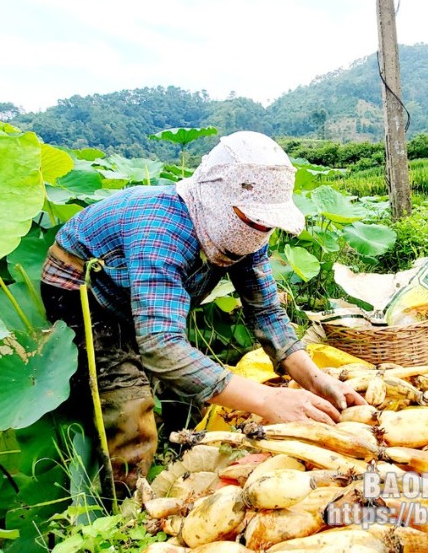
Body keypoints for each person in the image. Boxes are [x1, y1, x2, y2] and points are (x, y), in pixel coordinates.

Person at [40, 131, 366, 494]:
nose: (261, 232)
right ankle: (124, 507)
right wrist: (268, 400)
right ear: (216, 198)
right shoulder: (161, 231)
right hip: (87, 294)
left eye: (267, 223)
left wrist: (314, 378)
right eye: (254, 220)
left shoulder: (247, 229)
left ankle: (181, 467)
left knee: (191, 389)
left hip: (143, 293)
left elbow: (267, 311)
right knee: (130, 407)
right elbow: (162, 345)